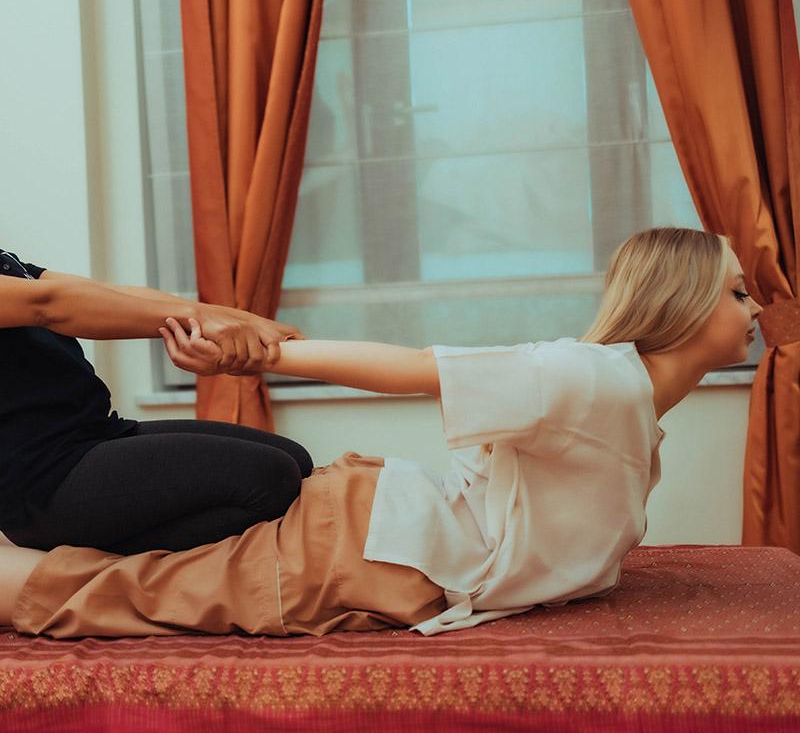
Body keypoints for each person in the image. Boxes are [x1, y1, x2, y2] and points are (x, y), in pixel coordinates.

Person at [0, 227, 763, 639]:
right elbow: (50, 307)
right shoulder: (587, 377)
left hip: (105, 436)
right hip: (43, 474)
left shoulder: (616, 393)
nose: (760, 308)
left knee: (282, 462)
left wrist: (230, 320)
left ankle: (100, 543)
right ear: (688, 304)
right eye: (737, 291)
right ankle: (31, 565)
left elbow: (74, 290)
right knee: (224, 524)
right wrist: (249, 340)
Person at [0, 247, 313, 555]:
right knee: (270, 479)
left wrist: (240, 320)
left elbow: (103, 292)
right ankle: (105, 563)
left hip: (95, 435)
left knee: (297, 461)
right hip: (42, 479)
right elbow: (48, 305)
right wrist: (204, 319)